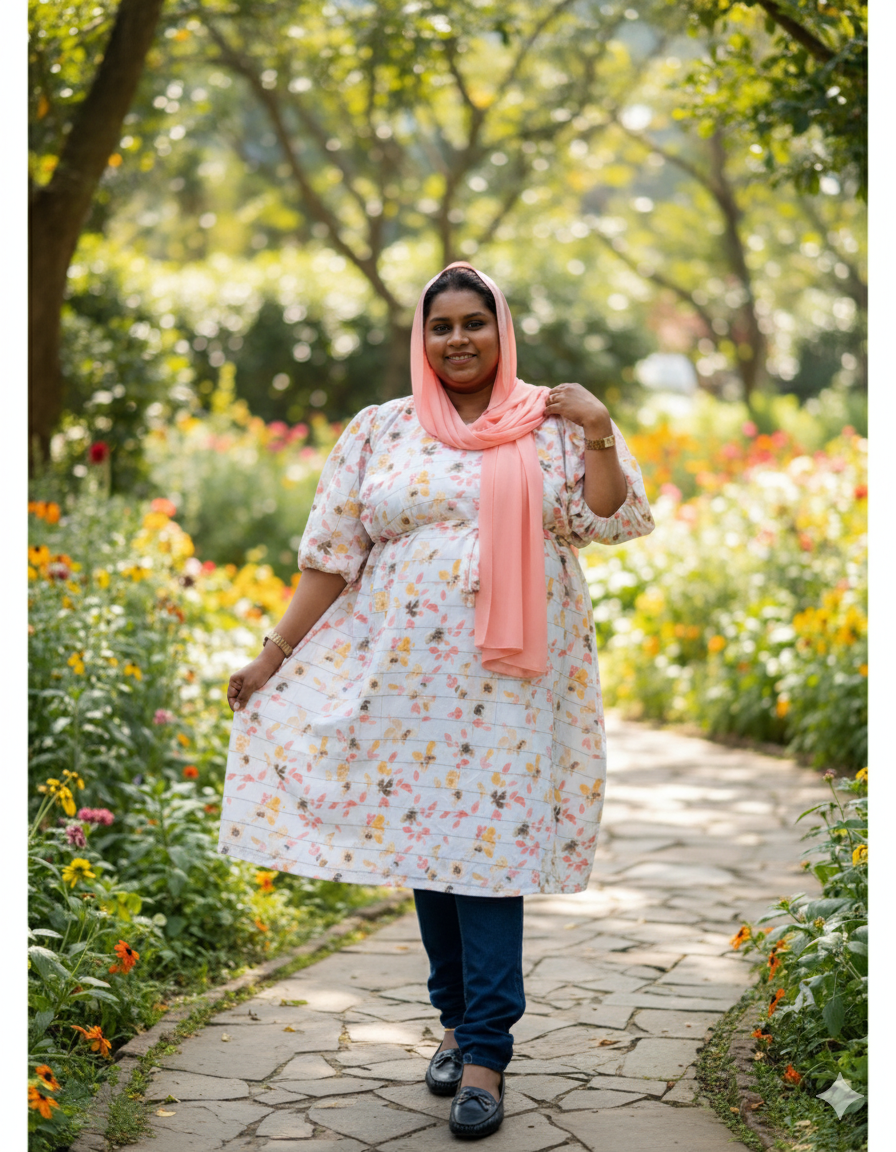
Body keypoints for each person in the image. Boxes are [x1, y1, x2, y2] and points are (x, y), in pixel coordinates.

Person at [220, 262, 654, 1138]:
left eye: (474, 323)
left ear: (503, 331)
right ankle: (456, 1021)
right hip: (407, 683)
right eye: (441, 326)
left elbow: (608, 521)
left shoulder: (550, 424)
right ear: (423, 340)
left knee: (489, 854)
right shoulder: (381, 430)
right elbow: (330, 558)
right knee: (433, 851)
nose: (458, 339)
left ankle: (486, 1049)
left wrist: (600, 428)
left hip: (514, 679)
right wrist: (273, 657)